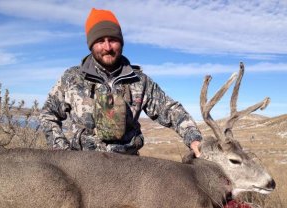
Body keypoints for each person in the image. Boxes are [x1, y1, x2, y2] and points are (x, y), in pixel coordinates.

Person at [40, 8, 202, 156]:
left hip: (128, 167)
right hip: (84, 166)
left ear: (121, 42)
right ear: (91, 45)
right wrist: (63, 152)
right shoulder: (72, 78)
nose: (107, 47)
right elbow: (48, 114)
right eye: (100, 41)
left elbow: (170, 110)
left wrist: (193, 138)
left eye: (113, 39)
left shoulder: (140, 81)